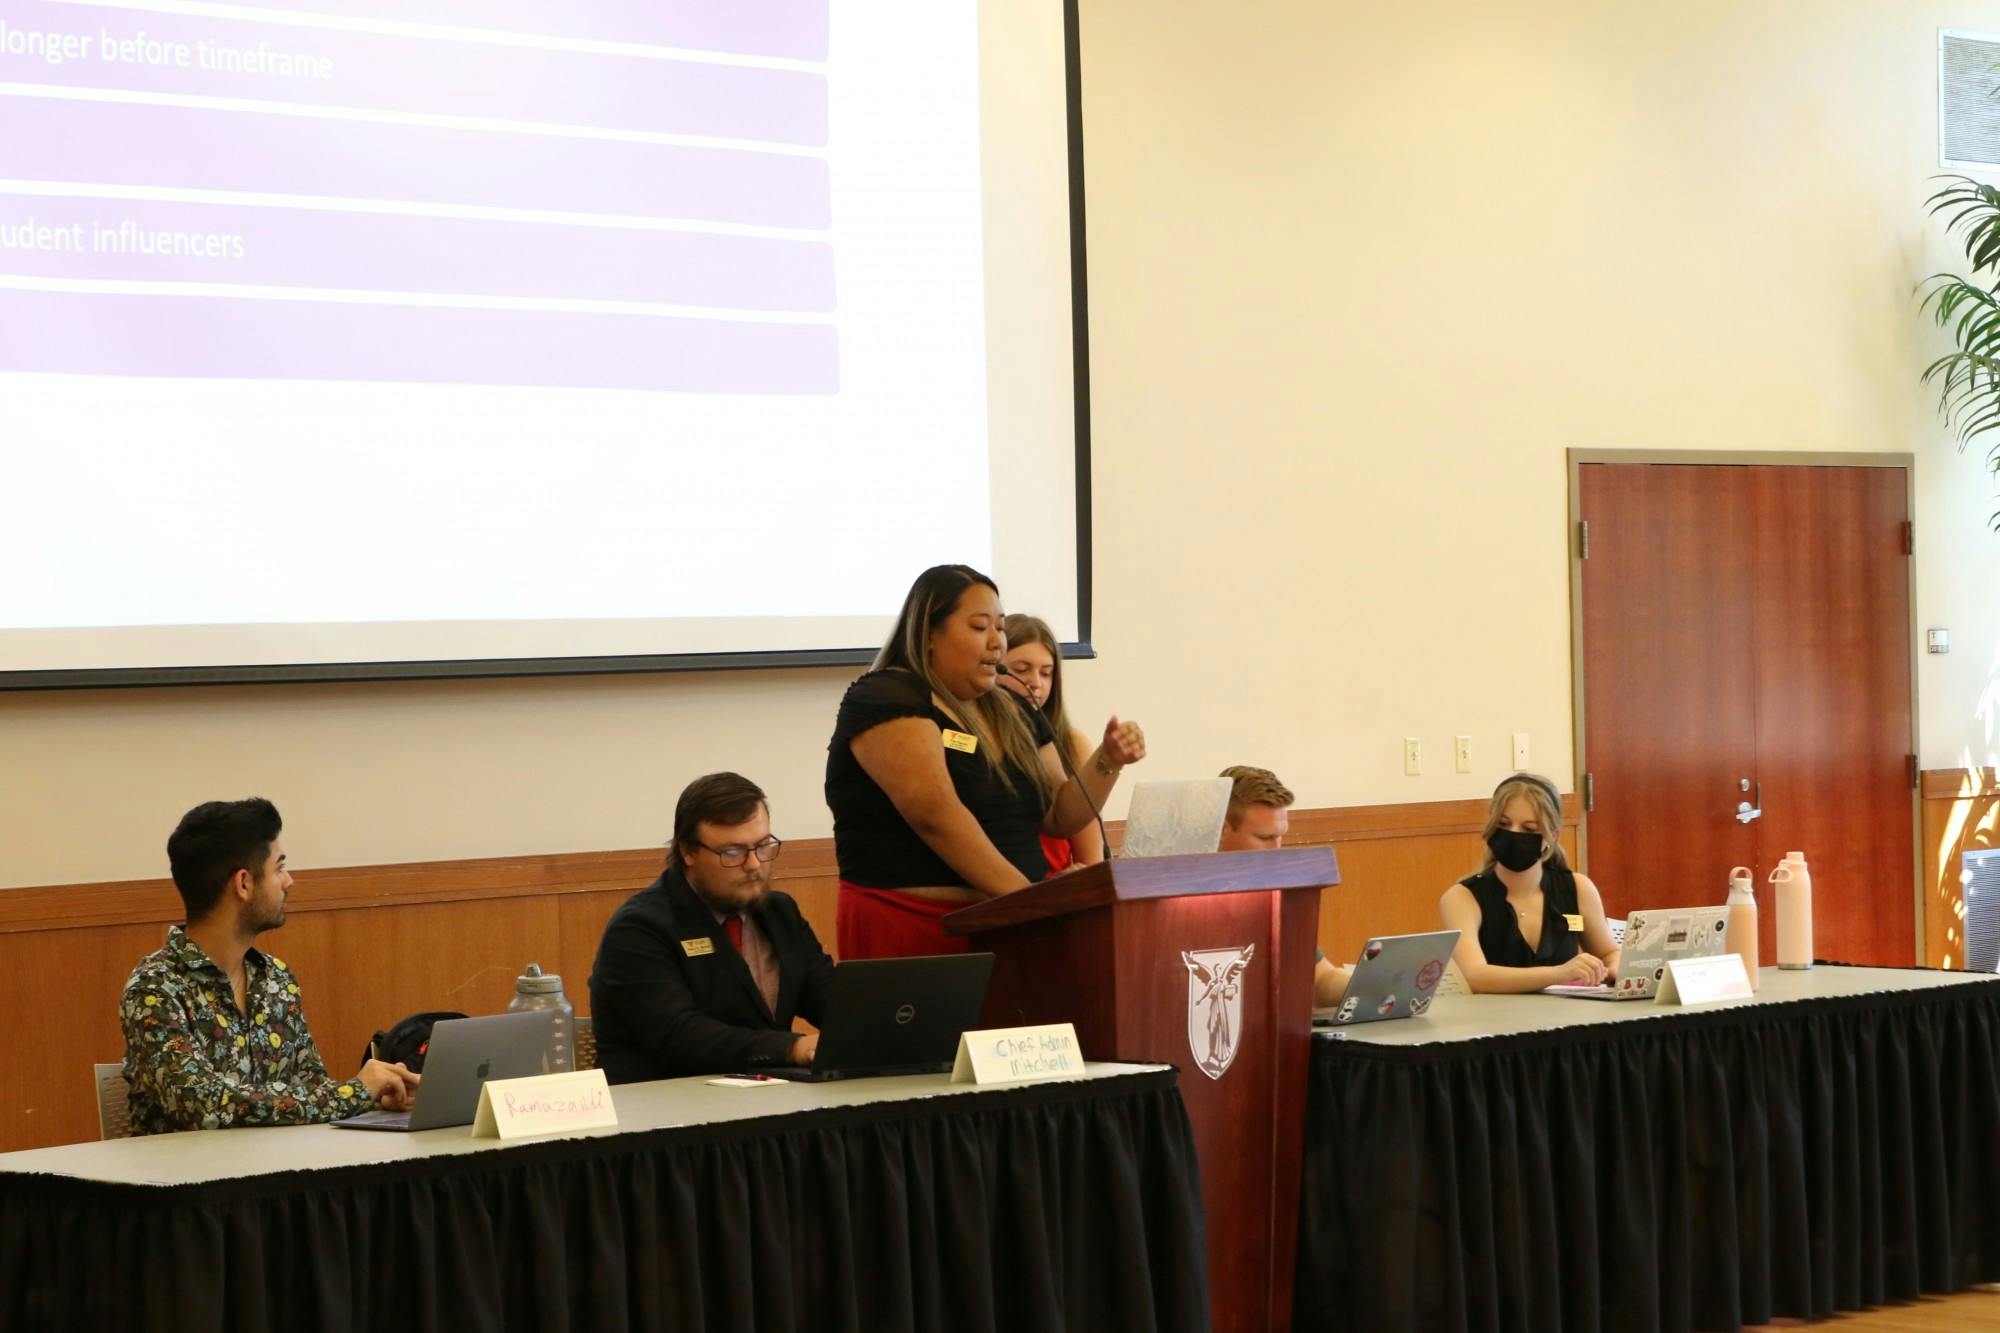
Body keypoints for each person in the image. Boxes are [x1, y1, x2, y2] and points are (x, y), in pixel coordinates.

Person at [827, 564, 1147, 959]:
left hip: (1007, 923)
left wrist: (1107, 761)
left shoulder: (1010, 705)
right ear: (929, 633)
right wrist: (1032, 901)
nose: (996, 642)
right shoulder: (888, 695)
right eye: (980, 627)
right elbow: (936, 816)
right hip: (914, 926)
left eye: (999, 627)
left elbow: (1061, 816)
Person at [119, 798, 419, 1134]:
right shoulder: (155, 988)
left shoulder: (275, 979)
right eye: (278, 868)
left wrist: (376, 1098)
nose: (288, 881)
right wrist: (354, 1092)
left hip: (280, 1175)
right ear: (243, 883)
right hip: (189, 1180)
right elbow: (205, 1104)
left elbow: (311, 1092)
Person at [590, 772, 834, 1081]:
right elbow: (681, 1037)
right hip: (665, 1107)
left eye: (762, 846)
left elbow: (830, 999)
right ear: (688, 851)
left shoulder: (779, 912)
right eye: (732, 852)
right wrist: (791, 1048)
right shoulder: (638, 929)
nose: (754, 865)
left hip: (767, 1103)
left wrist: (885, 1027)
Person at [1438, 773, 1622, 993]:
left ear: (1552, 836)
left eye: (1529, 829)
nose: (1514, 834)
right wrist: (1558, 974)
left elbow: (1610, 953)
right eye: (1504, 824)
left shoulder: (1578, 887)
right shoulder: (1462, 898)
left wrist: (1613, 970)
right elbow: (1475, 976)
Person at [1217, 765, 1351, 1007]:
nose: (1276, 850)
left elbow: (1321, 980)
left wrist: (1367, 986)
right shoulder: (1176, 899)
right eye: (1264, 838)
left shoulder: (1274, 897)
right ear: (1221, 831)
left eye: (1281, 837)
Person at [1000, 611, 1105, 872]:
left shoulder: (1071, 744)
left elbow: (1091, 861)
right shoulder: (968, 739)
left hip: (1058, 895)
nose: (1035, 683)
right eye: (1021, 670)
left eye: (1046, 673)